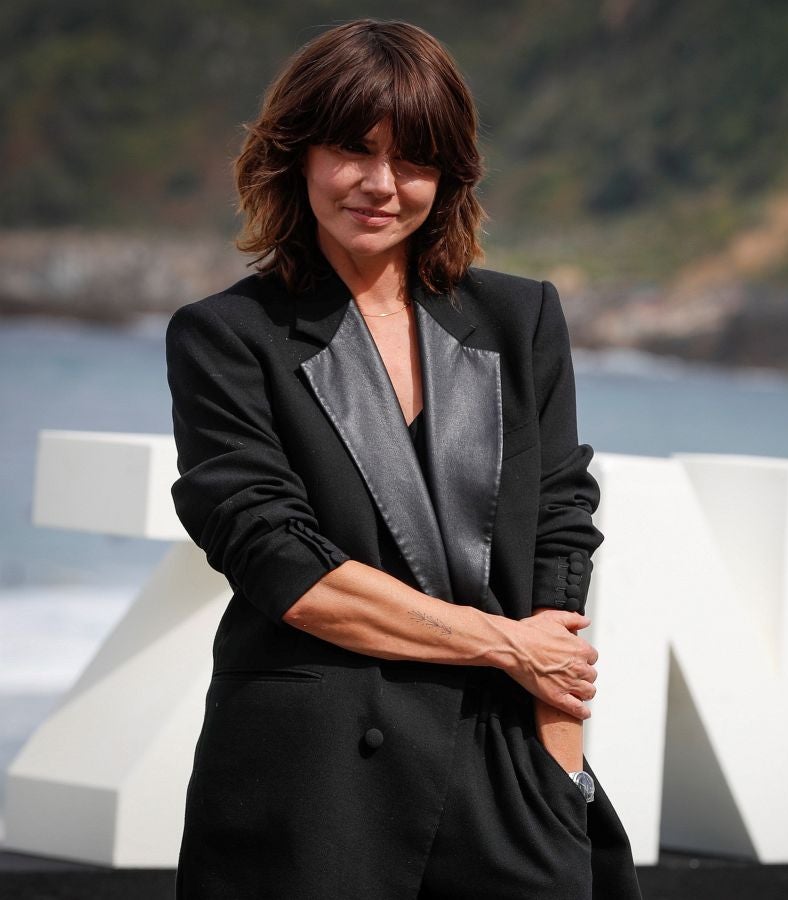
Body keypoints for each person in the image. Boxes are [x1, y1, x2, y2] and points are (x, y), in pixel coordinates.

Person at [165, 18, 641, 900]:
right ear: (297, 155)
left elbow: (561, 528)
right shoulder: (226, 338)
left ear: (449, 176)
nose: (381, 184)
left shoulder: (521, 318)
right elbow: (289, 569)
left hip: (505, 775)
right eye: (353, 149)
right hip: (311, 795)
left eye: (415, 158)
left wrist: (553, 756)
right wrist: (507, 645)